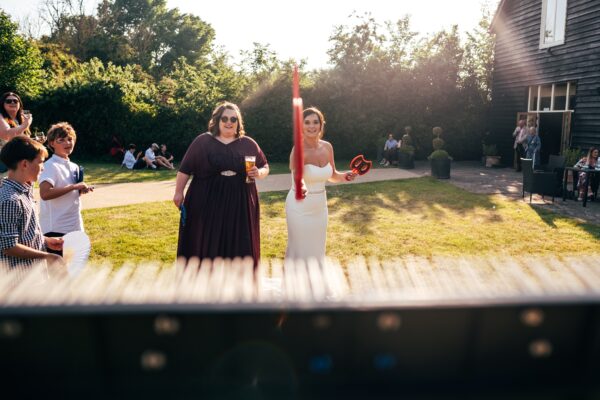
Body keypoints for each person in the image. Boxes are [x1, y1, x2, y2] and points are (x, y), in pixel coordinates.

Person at [173, 102, 269, 267]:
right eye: (224, 118)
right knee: (206, 239)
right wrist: (178, 192)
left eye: (233, 119)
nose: (229, 122)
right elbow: (185, 169)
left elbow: (265, 166)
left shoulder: (248, 143)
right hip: (207, 200)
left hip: (240, 202)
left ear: (238, 122)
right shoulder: (202, 141)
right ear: (217, 120)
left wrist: (259, 173)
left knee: (238, 240)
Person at [285, 107, 357, 265]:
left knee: (317, 247)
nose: (312, 126)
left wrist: (345, 176)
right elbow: (297, 175)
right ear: (301, 126)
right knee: (300, 248)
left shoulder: (328, 147)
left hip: (320, 207)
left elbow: (332, 175)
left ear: (321, 125)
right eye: (307, 122)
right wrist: (301, 187)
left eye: (315, 122)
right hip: (299, 207)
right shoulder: (298, 149)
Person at [0, 136, 65, 278]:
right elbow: (9, 246)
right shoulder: (10, 199)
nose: (43, 167)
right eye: (41, 162)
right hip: (19, 280)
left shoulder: (25, 191)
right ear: (24, 164)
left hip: (35, 275)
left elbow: (24, 232)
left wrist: (45, 240)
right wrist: (48, 256)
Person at [38, 123, 93, 255]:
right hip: (56, 228)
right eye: (61, 140)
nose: (67, 143)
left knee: (73, 269)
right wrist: (74, 186)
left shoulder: (74, 166)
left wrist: (80, 190)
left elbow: (69, 191)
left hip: (75, 225)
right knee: (59, 271)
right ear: (51, 143)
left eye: (70, 139)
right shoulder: (50, 165)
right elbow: (45, 194)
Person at [0, 92, 33, 178]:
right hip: (5, 165)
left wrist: (35, 142)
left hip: (22, 163)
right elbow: (7, 135)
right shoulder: (1, 117)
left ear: (19, 104)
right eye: (8, 101)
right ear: (3, 104)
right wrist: (26, 125)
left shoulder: (21, 120)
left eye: (15, 101)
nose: (12, 103)